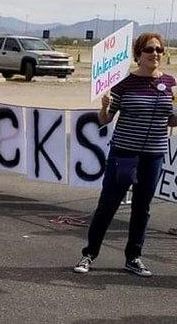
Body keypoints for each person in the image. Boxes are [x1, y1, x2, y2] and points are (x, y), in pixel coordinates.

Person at [74, 33, 177, 277]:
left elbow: (172, 119)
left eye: (160, 50)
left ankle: (134, 257)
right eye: (150, 49)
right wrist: (103, 107)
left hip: (153, 155)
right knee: (108, 205)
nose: (155, 54)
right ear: (139, 54)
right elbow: (105, 120)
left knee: (142, 208)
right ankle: (89, 254)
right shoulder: (123, 84)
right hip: (124, 154)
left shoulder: (171, 83)